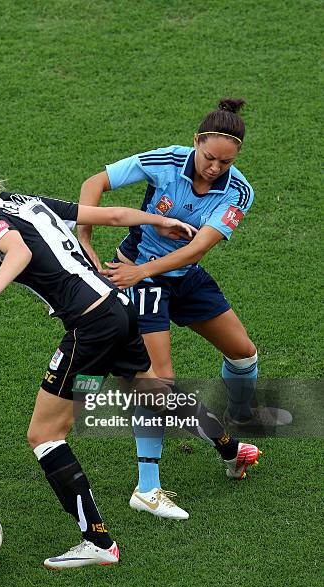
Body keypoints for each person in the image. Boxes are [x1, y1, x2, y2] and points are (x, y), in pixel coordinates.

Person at [0, 134, 202, 569]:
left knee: (44, 434)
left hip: (90, 329)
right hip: (118, 312)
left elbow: (17, 251)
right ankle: (230, 445)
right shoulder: (27, 202)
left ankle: (98, 542)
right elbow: (112, 213)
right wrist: (155, 219)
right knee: (146, 389)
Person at [78, 98, 287, 519]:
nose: (214, 168)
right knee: (157, 380)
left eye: (224, 163)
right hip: (143, 278)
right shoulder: (166, 161)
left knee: (243, 353)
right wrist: (86, 240)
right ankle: (148, 487)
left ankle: (239, 415)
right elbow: (94, 183)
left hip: (181, 275)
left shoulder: (239, 190)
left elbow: (198, 247)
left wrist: (145, 270)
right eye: (209, 157)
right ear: (196, 142)